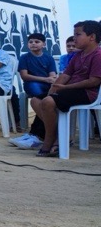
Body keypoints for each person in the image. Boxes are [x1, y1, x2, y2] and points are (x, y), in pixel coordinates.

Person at [29, 20, 101, 157]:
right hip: (71, 89)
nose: (74, 38)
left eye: (78, 34)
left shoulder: (98, 55)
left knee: (48, 102)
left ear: (92, 37)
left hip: (88, 93)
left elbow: (94, 81)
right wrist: (54, 88)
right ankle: (59, 136)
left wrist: (64, 87)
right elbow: (65, 75)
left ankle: (50, 139)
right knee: (36, 100)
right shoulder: (78, 55)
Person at [9, 33, 58, 149]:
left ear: (44, 44)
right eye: (31, 42)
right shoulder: (24, 57)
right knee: (40, 98)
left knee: (45, 100)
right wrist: (45, 79)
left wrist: (51, 80)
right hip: (32, 83)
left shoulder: (49, 58)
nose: (33, 44)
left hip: (46, 85)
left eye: (37, 42)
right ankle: (39, 134)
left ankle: (36, 135)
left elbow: (53, 76)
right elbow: (25, 76)